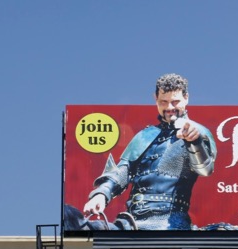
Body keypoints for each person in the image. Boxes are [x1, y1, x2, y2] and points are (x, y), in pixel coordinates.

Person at [67, 73, 216, 231]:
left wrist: (194, 141)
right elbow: (123, 170)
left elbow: (205, 169)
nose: (169, 108)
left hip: (169, 224)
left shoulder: (197, 131)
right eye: (163, 102)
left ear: (186, 98)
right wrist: (101, 194)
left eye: (175, 102)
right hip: (131, 222)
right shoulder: (145, 135)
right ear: (155, 99)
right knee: (70, 218)